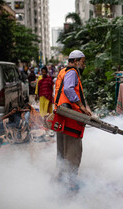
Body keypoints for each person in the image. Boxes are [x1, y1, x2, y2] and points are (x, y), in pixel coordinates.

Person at [54, 50, 92, 190]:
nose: (84, 65)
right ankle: (69, 184)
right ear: (75, 61)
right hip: (71, 116)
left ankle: (61, 181)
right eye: (83, 61)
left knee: (62, 151)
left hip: (62, 115)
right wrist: (81, 107)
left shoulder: (63, 71)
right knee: (73, 151)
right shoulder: (72, 72)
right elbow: (69, 90)